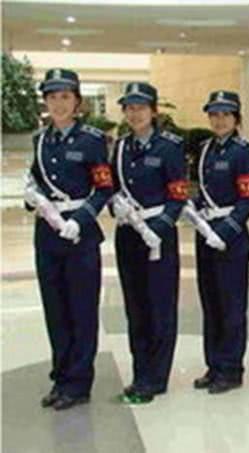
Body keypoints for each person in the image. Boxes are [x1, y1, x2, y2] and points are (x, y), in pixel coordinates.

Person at [25, 68, 113, 410]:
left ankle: (78, 383)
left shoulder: (92, 140)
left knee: (81, 309)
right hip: (47, 235)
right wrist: (30, 199)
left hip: (80, 236)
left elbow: (104, 188)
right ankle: (61, 377)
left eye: (65, 96)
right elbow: (36, 182)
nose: (58, 103)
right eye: (52, 97)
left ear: (77, 101)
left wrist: (80, 220)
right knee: (56, 309)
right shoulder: (40, 140)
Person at [110, 82, 188, 403]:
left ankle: (156, 378)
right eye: (129, 108)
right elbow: (112, 188)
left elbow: (178, 195)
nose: (134, 113)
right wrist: (115, 206)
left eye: (140, 107)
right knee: (136, 307)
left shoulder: (169, 147)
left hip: (158, 236)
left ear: (153, 111)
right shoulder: (120, 147)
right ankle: (140, 372)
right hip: (128, 234)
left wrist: (160, 226)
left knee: (160, 306)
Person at [191, 91, 249, 393]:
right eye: (214, 115)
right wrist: (194, 211)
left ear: (236, 118)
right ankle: (214, 364)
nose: (219, 120)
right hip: (205, 232)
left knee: (231, 305)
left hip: (231, 237)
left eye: (226, 115)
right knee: (211, 303)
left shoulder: (243, 151)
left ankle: (231, 369)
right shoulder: (204, 149)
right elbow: (199, 190)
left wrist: (226, 230)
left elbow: (247, 199)